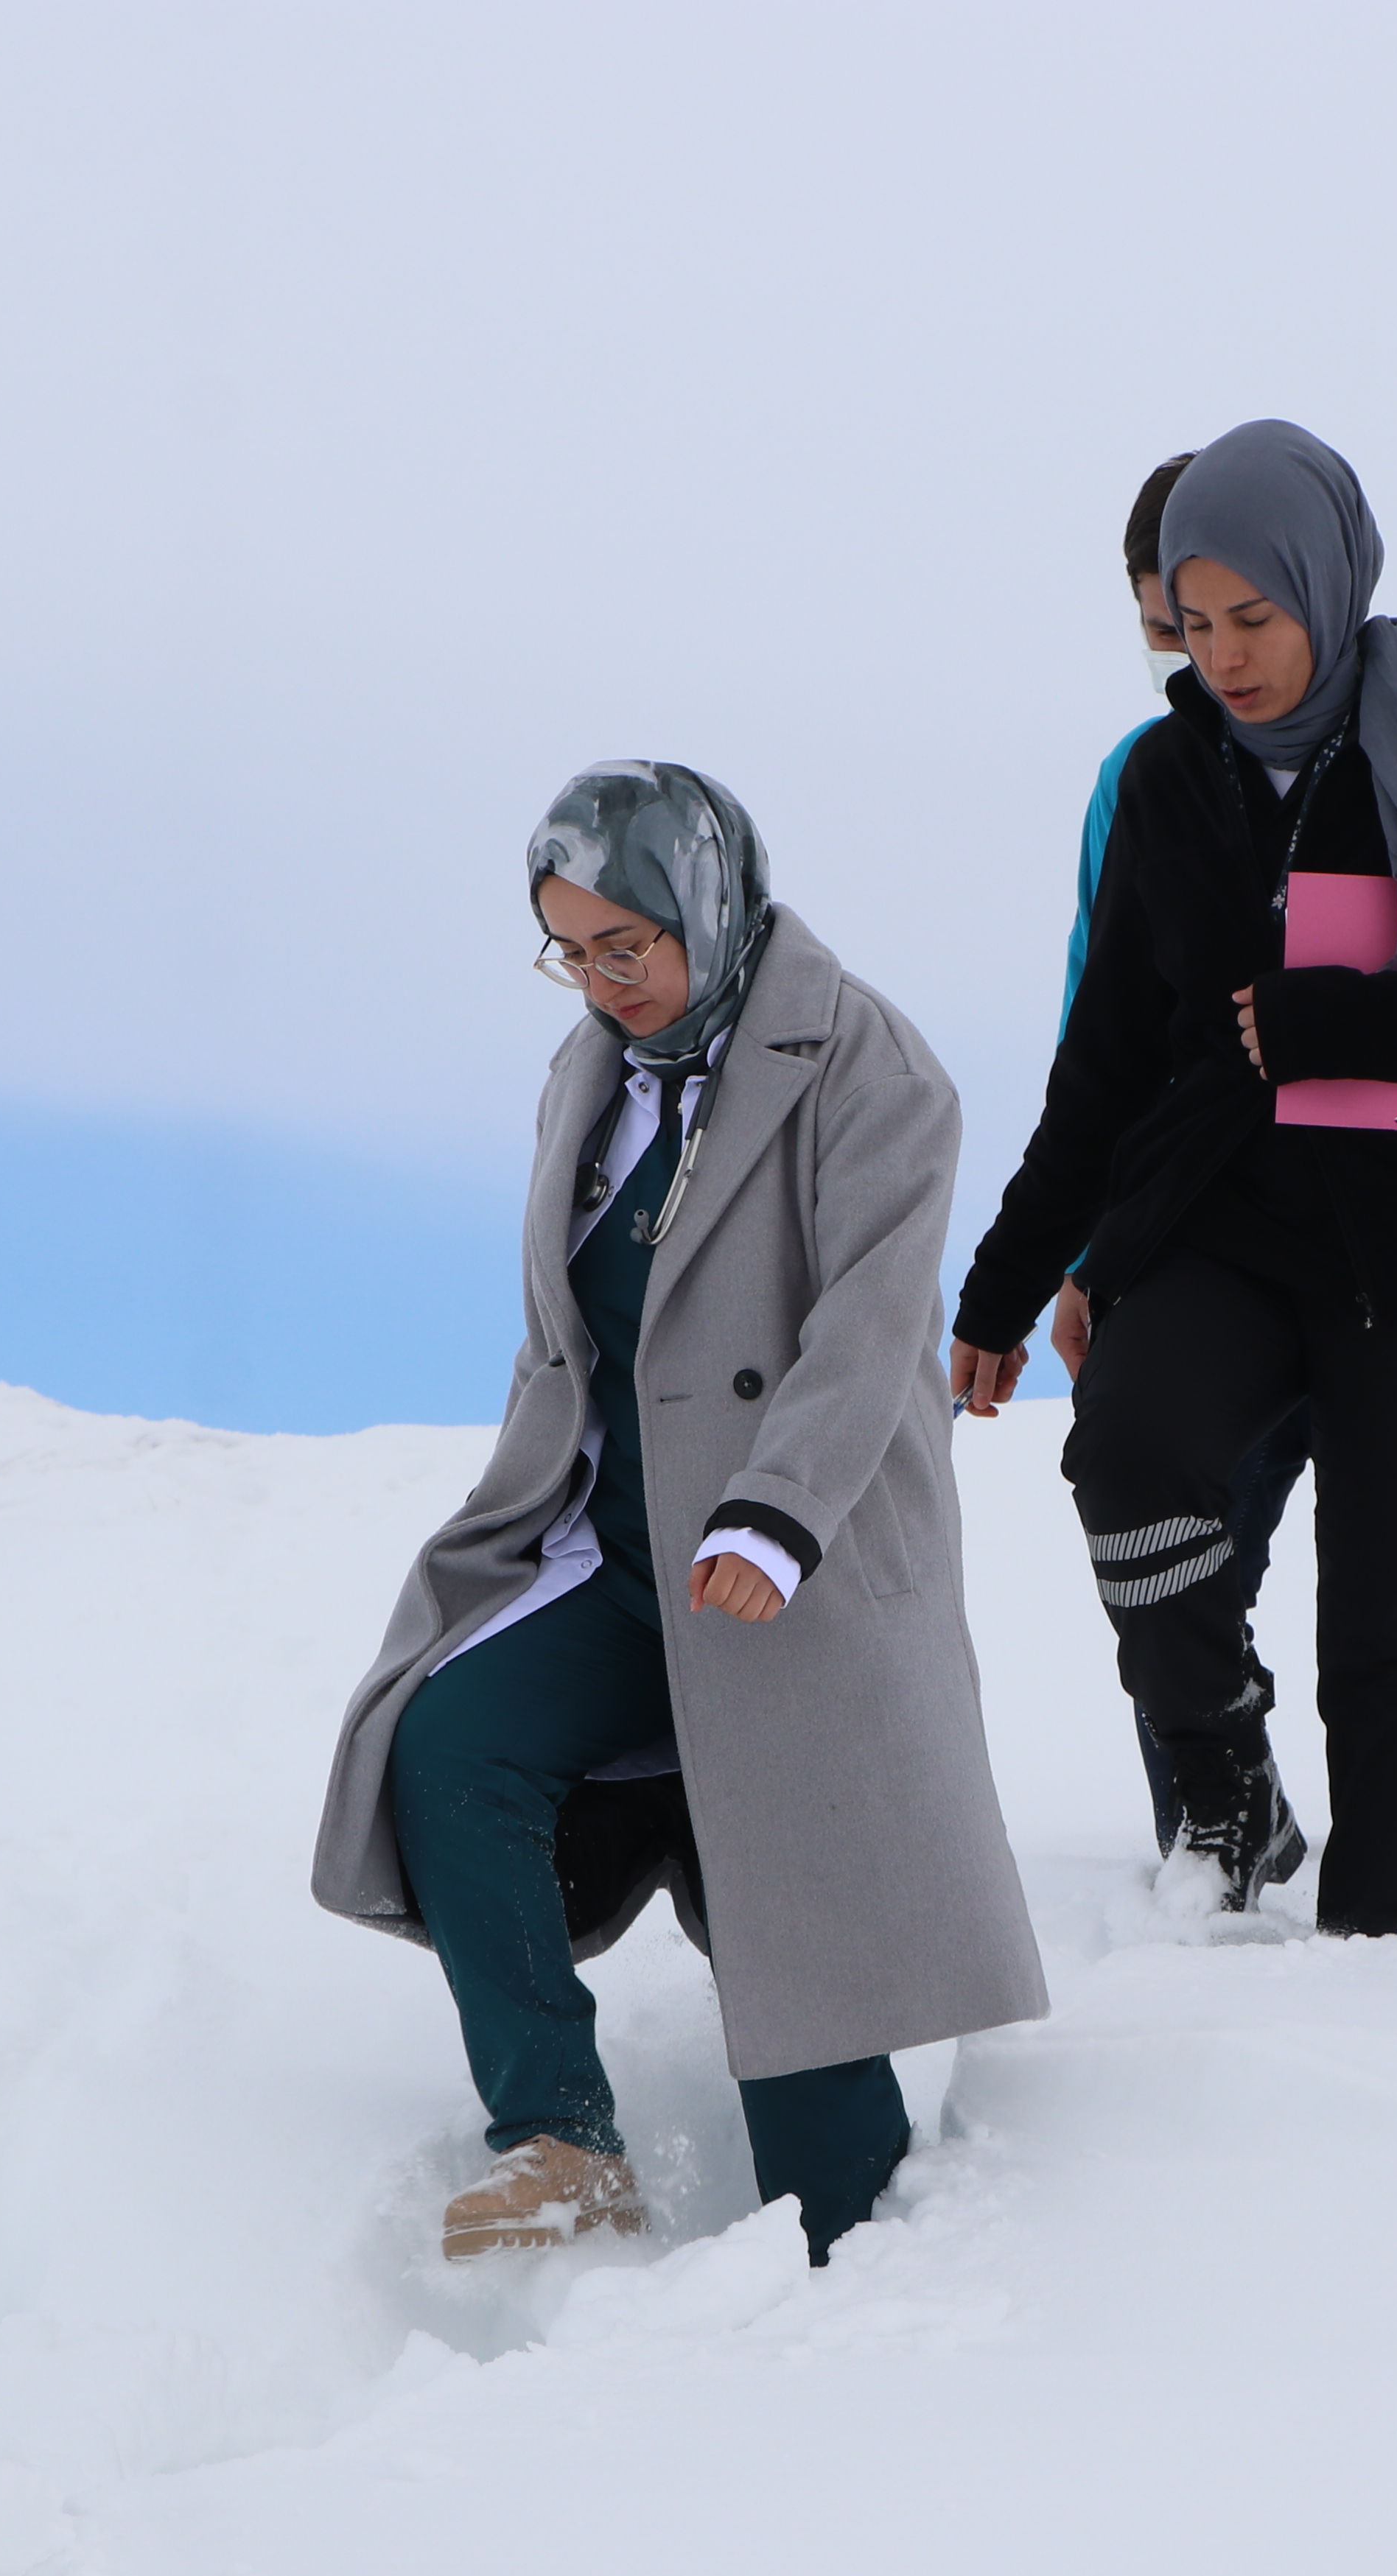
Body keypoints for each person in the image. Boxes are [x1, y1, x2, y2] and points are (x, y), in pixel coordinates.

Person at [315, 765, 1046, 2265]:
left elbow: (871, 1320)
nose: (601, 983)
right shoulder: (585, 1077)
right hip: (627, 1560)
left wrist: (777, 1513)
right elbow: (568, 1332)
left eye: (625, 945)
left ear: (705, 907)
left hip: (792, 1571)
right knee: (448, 1738)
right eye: (571, 951)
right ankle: (561, 2135)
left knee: (797, 1972)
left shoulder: (868, 1064)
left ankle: (859, 2281)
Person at [951, 420, 1397, 1937]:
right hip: (1221, 1230)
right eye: (1193, 624)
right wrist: (1004, 1281)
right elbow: (1107, 1059)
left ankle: (1386, 1952)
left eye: (1255, 617)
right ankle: (1223, 1776)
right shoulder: (1168, 781)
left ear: (1327, 584)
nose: (1226, 655)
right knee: (1126, 1455)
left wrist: (1339, 1024)